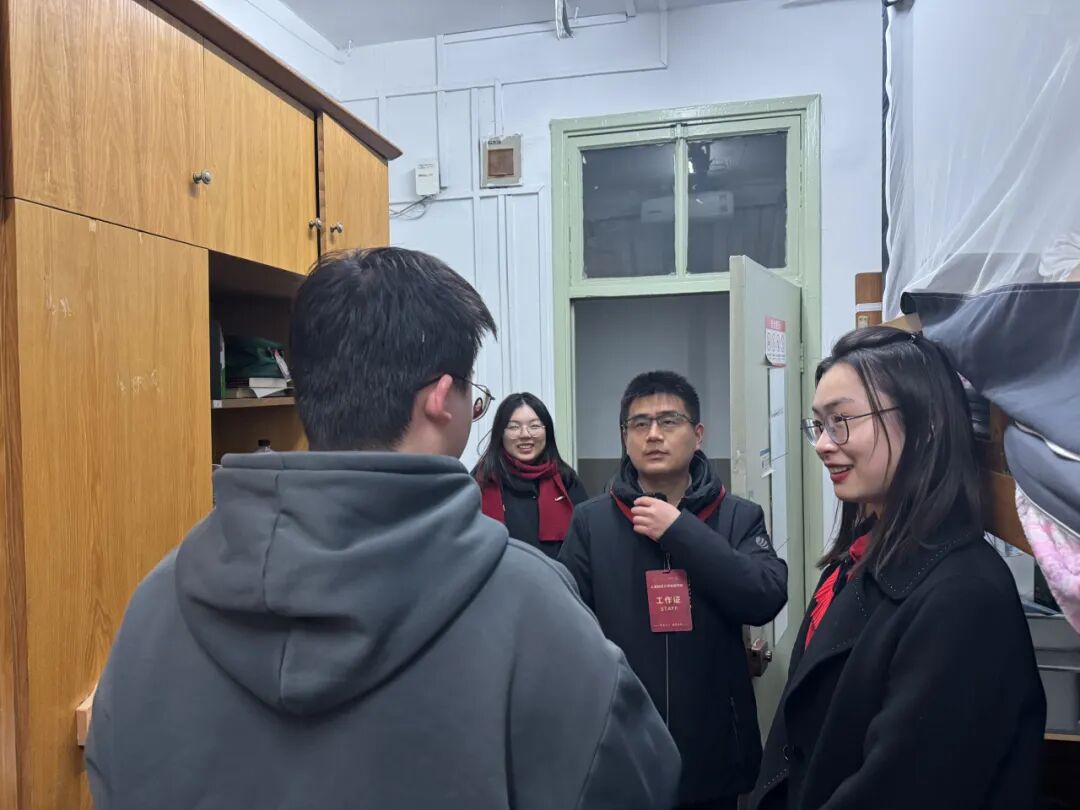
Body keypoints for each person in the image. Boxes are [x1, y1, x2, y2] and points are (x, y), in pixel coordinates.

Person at [85, 248, 681, 810]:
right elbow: (634, 783)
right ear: (441, 399)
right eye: (476, 399)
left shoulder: (156, 606)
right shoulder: (536, 611)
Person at [750, 327, 1046, 810]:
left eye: (842, 420)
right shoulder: (859, 556)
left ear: (926, 423)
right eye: (819, 425)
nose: (822, 444)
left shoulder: (965, 598)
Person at [559, 370, 789, 810]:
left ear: (697, 434)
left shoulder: (738, 516)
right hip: (621, 748)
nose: (653, 435)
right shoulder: (591, 522)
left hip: (714, 751)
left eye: (668, 421)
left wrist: (681, 532)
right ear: (624, 437)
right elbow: (568, 630)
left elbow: (765, 597)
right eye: (639, 423)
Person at [473, 392, 589, 558]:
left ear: (547, 431)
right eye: (514, 427)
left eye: (534, 426)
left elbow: (585, 546)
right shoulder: (480, 482)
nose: (525, 434)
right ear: (500, 433)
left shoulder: (567, 481)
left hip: (556, 574)